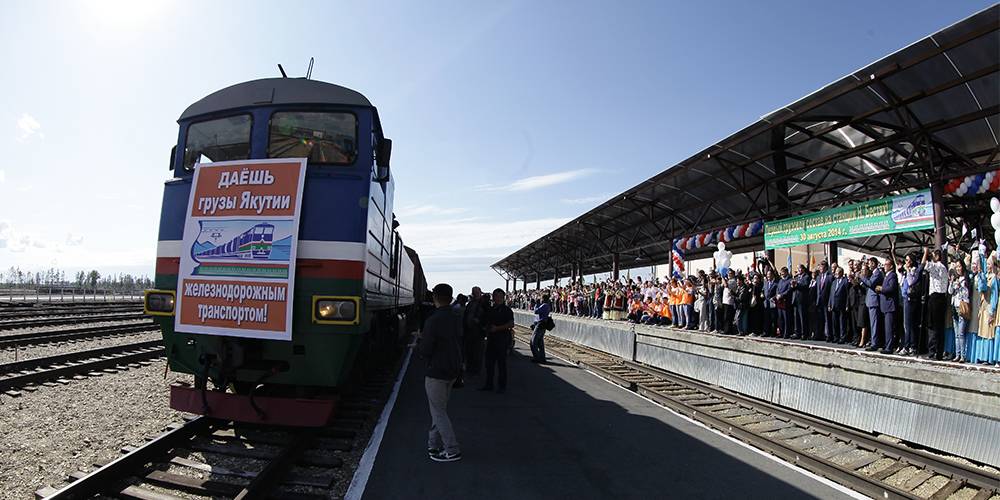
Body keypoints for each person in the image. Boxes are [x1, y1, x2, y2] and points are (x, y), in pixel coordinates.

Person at [419, 283, 463, 462]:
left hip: (436, 370)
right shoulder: (457, 317)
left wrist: (419, 345)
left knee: (438, 412)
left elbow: (426, 349)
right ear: (451, 298)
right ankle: (433, 444)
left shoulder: (433, 320)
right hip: (452, 369)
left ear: (434, 297)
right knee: (439, 410)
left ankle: (452, 449)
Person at [481, 288, 514, 394]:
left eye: (500, 296)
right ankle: (489, 384)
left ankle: (501, 386)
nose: (497, 298)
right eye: (496, 296)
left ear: (503, 298)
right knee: (489, 364)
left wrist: (497, 328)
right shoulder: (490, 309)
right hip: (491, 339)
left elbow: (511, 324)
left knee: (501, 364)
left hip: (502, 340)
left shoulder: (507, 310)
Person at [900, 249, 926, 356]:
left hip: (911, 299)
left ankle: (908, 346)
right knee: (909, 325)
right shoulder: (907, 271)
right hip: (905, 298)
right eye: (905, 260)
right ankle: (911, 345)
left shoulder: (914, 270)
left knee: (909, 325)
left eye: (908, 260)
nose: (906, 262)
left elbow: (911, 282)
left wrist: (907, 270)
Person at [925, 249, 949, 360]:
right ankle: (938, 352)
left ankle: (933, 351)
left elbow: (926, 266)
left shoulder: (938, 266)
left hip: (936, 297)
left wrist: (926, 253)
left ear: (937, 256)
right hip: (941, 298)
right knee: (939, 326)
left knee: (934, 326)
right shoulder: (944, 268)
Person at [860, 257, 884, 351]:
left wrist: (862, 277)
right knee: (872, 323)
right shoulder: (873, 273)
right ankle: (874, 341)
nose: (869, 265)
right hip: (870, 301)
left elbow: (870, 283)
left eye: (869, 263)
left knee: (874, 323)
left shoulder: (877, 273)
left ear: (873, 263)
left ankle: (875, 344)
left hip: (874, 301)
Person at [948, 260, 970, 363]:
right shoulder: (956, 279)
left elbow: (967, 295)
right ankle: (957, 354)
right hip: (954, 307)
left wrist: (961, 287)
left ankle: (963, 356)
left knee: (961, 333)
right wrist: (951, 283)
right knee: (956, 334)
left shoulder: (966, 279)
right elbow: (950, 292)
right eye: (956, 267)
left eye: (959, 266)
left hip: (961, 307)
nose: (958, 268)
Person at [877, 256, 898, 354]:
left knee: (889, 327)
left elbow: (891, 288)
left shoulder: (892, 275)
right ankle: (887, 344)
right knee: (886, 327)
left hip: (890, 305)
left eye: (886, 264)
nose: (884, 266)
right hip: (885, 305)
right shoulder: (886, 276)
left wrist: (881, 289)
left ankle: (889, 347)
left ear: (891, 266)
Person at [829, 266, 849, 343]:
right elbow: (831, 294)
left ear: (841, 273)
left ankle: (842, 337)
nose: (836, 273)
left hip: (841, 305)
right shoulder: (834, 282)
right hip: (834, 305)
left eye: (838, 272)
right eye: (836, 272)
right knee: (835, 322)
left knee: (842, 322)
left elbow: (847, 294)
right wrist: (829, 304)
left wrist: (847, 305)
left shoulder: (845, 281)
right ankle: (836, 337)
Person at [531, 294, 551, 363]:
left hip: (540, 324)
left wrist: (536, 304)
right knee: (540, 342)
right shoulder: (546, 305)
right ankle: (542, 358)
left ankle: (537, 357)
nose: (540, 300)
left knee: (533, 342)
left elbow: (536, 311)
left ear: (543, 299)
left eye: (541, 298)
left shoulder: (544, 305)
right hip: (542, 324)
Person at [814, 261, 832, 342]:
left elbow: (831, 290)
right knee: (819, 318)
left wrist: (830, 302)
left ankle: (828, 335)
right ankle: (819, 334)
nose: (820, 268)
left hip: (826, 300)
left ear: (826, 267)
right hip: (819, 301)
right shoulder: (818, 277)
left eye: (822, 267)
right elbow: (818, 290)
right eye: (820, 267)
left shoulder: (830, 277)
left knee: (827, 319)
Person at [776, 267, 792, 338]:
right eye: (781, 273)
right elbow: (777, 289)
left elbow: (789, 290)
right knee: (780, 318)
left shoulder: (790, 280)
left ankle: (786, 333)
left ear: (786, 272)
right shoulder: (780, 280)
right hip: (779, 302)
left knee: (786, 318)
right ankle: (781, 332)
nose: (782, 274)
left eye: (783, 273)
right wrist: (777, 295)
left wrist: (781, 295)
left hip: (786, 302)